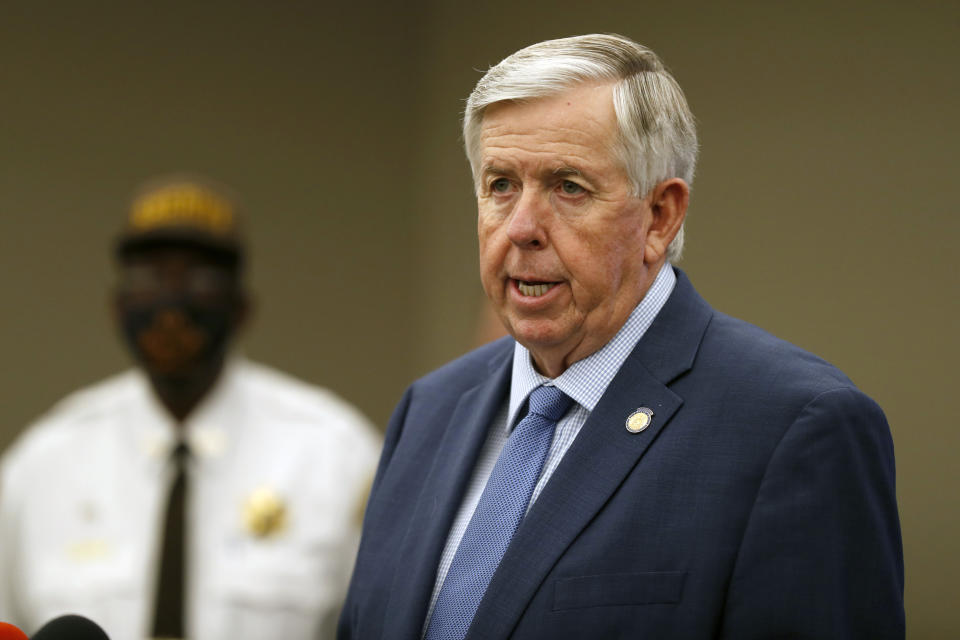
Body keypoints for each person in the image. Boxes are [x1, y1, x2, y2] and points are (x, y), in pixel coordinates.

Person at [339, 34, 904, 639]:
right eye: (501, 185)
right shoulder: (429, 410)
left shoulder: (795, 427)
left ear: (660, 217)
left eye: (568, 187)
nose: (523, 228)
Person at [0, 176, 381, 639]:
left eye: (200, 278)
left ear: (242, 306)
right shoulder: (42, 466)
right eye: (148, 277)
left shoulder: (335, 455)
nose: (171, 306)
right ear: (116, 306)